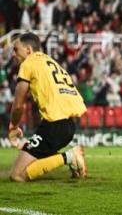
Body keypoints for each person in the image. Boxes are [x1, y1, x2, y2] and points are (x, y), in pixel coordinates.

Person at [7, 32, 87, 182]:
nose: (13, 54)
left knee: (17, 175)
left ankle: (70, 156)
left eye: (16, 49)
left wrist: (13, 127)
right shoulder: (51, 62)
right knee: (33, 162)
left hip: (54, 125)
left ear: (28, 50)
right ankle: (71, 157)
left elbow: (18, 106)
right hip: (69, 125)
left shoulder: (28, 63)